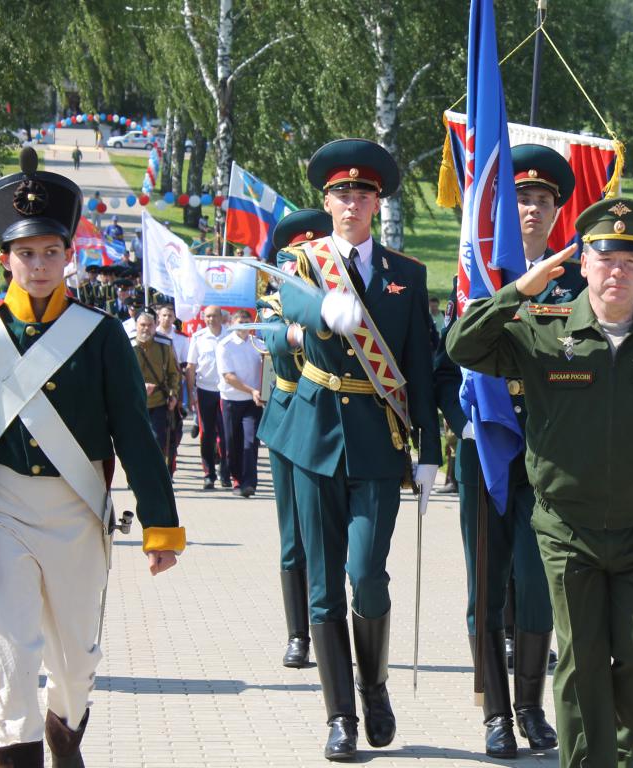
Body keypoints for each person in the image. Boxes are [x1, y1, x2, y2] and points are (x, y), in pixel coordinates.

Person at [448, 197, 633, 768]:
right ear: (583, 264)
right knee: (582, 658)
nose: (618, 271)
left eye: (631, 261)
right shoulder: (543, 331)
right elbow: (462, 345)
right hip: (567, 529)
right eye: (605, 257)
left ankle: (608, 741)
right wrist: (519, 290)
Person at [0, 147, 183, 768]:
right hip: (2, 511)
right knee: (12, 654)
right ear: (6, 261)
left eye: (51, 251)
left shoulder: (102, 334)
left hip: (78, 509)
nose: (40, 264)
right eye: (26, 253)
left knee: (77, 663)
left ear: (68, 256)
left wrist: (161, 524)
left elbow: (134, 432)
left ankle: (64, 730)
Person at [275, 138, 441, 762]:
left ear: (377, 202)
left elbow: (420, 367)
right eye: (342, 193)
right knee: (323, 586)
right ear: (327, 201)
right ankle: (339, 717)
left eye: (363, 193)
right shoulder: (305, 263)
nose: (352, 202)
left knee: (367, 575)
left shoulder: (406, 274)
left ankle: (374, 688)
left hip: (378, 441)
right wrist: (325, 308)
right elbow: (291, 304)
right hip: (314, 437)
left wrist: (430, 448)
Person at [434, 143, 581, 757]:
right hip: (485, 452)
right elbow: (447, 364)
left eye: (543, 200)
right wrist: (465, 418)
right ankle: (495, 711)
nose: (531, 209)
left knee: (539, 582)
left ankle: (529, 706)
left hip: (546, 455)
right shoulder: (478, 272)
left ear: (556, 214)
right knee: (485, 588)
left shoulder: (574, 281)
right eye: (520, 197)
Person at [258, 208, 330, 668]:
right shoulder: (276, 298)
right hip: (287, 420)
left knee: (332, 533)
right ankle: (298, 635)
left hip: (331, 418)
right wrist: (298, 333)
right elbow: (272, 335)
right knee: (293, 536)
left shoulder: (344, 297)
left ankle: (331, 626)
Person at [216, 309, 266, 498]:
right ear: (232, 323)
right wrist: (252, 390)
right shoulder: (225, 345)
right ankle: (236, 477)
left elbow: (268, 368)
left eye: (247, 320)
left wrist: (261, 391)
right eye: (240, 320)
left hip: (252, 402)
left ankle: (248, 483)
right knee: (232, 442)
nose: (243, 324)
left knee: (250, 441)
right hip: (231, 400)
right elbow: (228, 377)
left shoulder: (259, 345)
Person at [186, 306, 231, 490]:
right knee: (208, 435)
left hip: (227, 391)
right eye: (208, 316)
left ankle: (226, 474)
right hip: (205, 391)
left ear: (221, 317)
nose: (211, 319)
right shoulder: (199, 338)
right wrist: (191, 395)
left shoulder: (230, 336)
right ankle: (209, 474)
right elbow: (190, 367)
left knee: (227, 434)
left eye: (214, 316)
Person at [132, 312, 182, 474]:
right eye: (142, 325)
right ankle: (137, 474)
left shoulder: (164, 345)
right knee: (136, 441)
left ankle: (156, 474)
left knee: (158, 440)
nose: (146, 329)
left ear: (155, 326)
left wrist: (173, 394)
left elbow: (174, 373)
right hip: (134, 403)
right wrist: (140, 386)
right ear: (136, 326)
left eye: (149, 325)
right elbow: (119, 375)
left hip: (159, 401)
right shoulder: (127, 346)